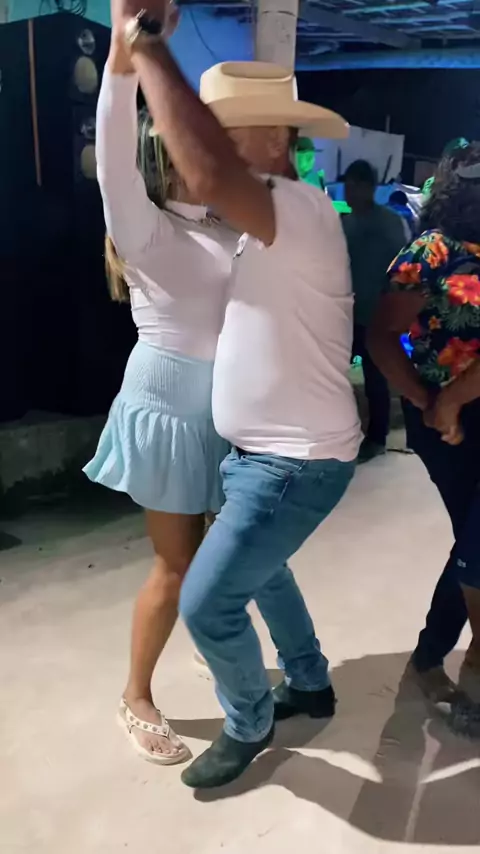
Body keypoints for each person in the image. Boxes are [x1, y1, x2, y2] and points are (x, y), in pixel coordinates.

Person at [115, 0, 361, 788]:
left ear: (274, 137)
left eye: (226, 129)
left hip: (292, 461)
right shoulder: (259, 228)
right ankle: (309, 680)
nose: (211, 144)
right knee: (267, 571)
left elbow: (209, 174)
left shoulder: (295, 207)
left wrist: (144, 45)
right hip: (263, 454)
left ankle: (248, 721)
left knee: (208, 603)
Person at [83, 25, 237, 765]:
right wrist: (123, 58)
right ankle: (135, 695)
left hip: (225, 409)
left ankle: (206, 641)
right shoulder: (144, 227)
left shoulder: (224, 225)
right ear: (166, 158)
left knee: (218, 559)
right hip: (170, 408)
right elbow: (113, 156)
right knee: (175, 567)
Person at [369, 143, 480, 735]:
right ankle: (437, 659)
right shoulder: (431, 252)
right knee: (475, 540)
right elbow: (381, 336)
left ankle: (434, 654)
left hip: (457, 404)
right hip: (446, 421)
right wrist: (425, 399)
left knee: (474, 540)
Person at [343, 160, 407, 463]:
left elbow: (403, 268)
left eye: (354, 187)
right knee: (333, 374)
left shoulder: (389, 223)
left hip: (377, 316)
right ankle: (340, 430)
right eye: (347, 187)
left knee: (375, 379)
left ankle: (377, 438)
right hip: (346, 314)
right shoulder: (345, 223)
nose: (349, 193)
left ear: (369, 188)